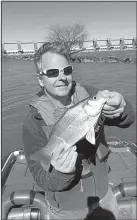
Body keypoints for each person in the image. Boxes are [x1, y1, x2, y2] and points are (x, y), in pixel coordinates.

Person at [22, 42, 135, 220]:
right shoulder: (32, 122)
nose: (62, 77)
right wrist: (61, 174)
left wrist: (123, 106)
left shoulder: (91, 96)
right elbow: (41, 178)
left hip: (105, 196)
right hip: (66, 210)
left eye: (66, 70)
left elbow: (127, 120)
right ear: (40, 79)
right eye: (52, 72)